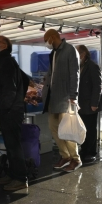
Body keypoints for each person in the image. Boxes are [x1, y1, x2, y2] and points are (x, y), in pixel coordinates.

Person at [0, 35, 28, 191]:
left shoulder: (6, 62)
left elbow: (9, 89)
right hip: (13, 109)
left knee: (13, 146)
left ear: (4, 46)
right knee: (11, 145)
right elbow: (25, 79)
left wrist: (4, 108)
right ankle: (13, 174)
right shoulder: (8, 61)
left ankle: (20, 178)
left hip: (10, 112)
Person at [42, 29, 81, 172]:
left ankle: (75, 159)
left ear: (53, 37)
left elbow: (75, 74)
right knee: (54, 128)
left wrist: (73, 96)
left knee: (68, 129)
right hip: (53, 98)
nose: (46, 43)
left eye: (46, 39)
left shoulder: (70, 50)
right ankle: (65, 156)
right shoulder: (54, 52)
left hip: (65, 98)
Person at [76, 45, 102, 163]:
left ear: (83, 54)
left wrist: (94, 103)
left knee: (91, 128)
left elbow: (97, 86)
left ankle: (91, 152)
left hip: (90, 104)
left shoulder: (92, 66)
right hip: (81, 104)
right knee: (83, 128)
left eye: (77, 54)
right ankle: (84, 149)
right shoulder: (79, 66)